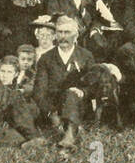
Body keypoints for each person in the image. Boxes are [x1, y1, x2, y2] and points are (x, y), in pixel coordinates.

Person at [36, 16, 115, 148]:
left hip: (79, 104)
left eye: (67, 32)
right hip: (55, 106)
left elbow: (95, 85)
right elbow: (39, 91)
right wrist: (51, 113)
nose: (63, 36)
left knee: (72, 93)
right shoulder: (46, 59)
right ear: (55, 35)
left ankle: (69, 136)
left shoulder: (85, 56)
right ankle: (68, 129)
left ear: (76, 35)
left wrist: (83, 92)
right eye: (59, 32)